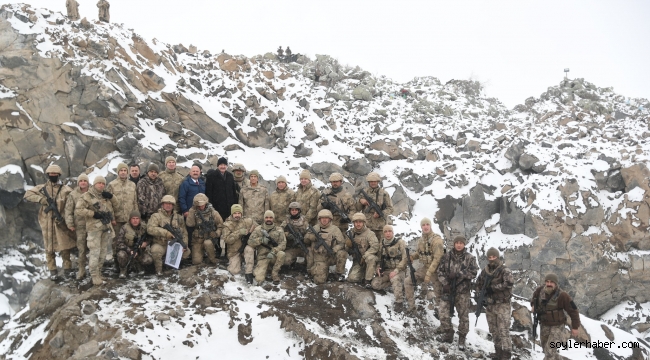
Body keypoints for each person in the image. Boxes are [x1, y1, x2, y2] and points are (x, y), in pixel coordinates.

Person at [23, 165, 75, 281]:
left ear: (59, 175)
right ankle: (53, 271)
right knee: (49, 247)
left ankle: (67, 269)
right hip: (46, 222)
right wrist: (41, 199)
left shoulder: (66, 189)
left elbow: (74, 202)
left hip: (60, 221)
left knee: (65, 245)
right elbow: (28, 194)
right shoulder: (42, 188)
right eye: (51, 175)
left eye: (55, 175)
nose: (53, 176)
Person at [437, 236, 479, 350]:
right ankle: (448, 333)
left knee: (463, 317)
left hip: (462, 292)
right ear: (454, 244)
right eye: (457, 243)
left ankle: (462, 338)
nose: (459, 245)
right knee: (442, 312)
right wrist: (445, 283)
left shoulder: (470, 258)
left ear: (464, 244)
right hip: (448, 290)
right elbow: (439, 271)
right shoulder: (446, 257)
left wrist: (460, 274)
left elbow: (474, 272)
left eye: (461, 243)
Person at [75, 176, 116, 286]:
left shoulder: (104, 196)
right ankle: (94, 276)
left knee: (103, 252)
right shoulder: (86, 196)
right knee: (94, 252)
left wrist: (111, 197)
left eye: (103, 184)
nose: (101, 185)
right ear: (94, 184)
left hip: (105, 227)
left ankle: (99, 272)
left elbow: (114, 206)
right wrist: (93, 214)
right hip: (94, 229)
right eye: (99, 183)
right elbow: (78, 210)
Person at [531, 273, 581, 360]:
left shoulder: (563, 295)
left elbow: (573, 311)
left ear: (556, 283)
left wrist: (575, 327)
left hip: (557, 326)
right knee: (546, 350)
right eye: (547, 282)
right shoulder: (539, 291)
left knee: (550, 351)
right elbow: (533, 299)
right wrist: (533, 305)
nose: (549, 284)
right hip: (544, 324)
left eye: (551, 282)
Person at [476, 248, 514, 360]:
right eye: (490, 257)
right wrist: (480, 295)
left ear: (497, 257)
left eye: (494, 257)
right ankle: (498, 352)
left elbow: (509, 283)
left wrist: (493, 288)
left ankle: (506, 354)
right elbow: (478, 283)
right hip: (490, 305)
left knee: (503, 330)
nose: (492, 259)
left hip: (503, 305)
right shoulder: (486, 271)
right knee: (493, 330)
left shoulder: (504, 270)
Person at [405, 217, 444, 313]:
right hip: (425, 268)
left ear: (430, 225)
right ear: (421, 227)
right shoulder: (421, 240)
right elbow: (420, 253)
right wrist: (412, 257)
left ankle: (442, 314)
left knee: (439, 293)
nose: (425, 227)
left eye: (427, 224)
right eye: (423, 225)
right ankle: (412, 307)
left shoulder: (437, 240)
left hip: (436, 270)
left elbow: (437, 259)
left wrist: (429, 274)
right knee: (408, 281)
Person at [147, 195, 191, 275]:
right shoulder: (156, 216)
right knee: (156, 250)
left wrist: (184, 244)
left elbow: (184, 232)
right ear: (162, 205)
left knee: (187, 252)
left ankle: (170, 266)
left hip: (174, 245)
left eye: (170, 204)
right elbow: (150, 229)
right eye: (166, 203)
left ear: (173, 206)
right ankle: (159, 271)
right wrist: (166, 233)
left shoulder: (178, 217)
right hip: (161, 244)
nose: (168, 205)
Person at [107, 162, 138, 267]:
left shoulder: (132, 185)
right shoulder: (112, 185)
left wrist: (136, 217)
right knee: (116, 242)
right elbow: (108, 203)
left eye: (125, 170)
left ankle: (132, 263)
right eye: (121, 170)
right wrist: (112, 217)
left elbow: (135, 202)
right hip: (117, 219)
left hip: (130, 219)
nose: (123, 172)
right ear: (118, 172)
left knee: (131, 240)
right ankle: (117, 264)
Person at [304, 209, 346, 284]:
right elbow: (305, 240)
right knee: (319, 281)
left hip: (331, 256)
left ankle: (338, 274)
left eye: (326, 218)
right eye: (322, 218)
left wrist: (335, 249)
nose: (324, 220)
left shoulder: (335, 229)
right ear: (319, 219)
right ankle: (318, 270)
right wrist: (311, 237)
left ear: (330, 219)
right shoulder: (315, 228)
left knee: (342, 253)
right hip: (319, 258)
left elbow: (342, 243)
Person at [372, 225, 407, 312]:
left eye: (389, 231)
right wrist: (378, 268)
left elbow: (405, 259)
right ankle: (394, 285)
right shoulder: (382, 243)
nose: (388, 233)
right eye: (385, 231)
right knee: (375, 284)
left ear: (393, 232)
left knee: (394, 278)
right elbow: (380, 259)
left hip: (399, 270)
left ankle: (399, 302)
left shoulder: (400, 242)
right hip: (387, 271)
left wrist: (396, 271)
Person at [247, 210, 286, 285]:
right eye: (267, 217)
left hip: (273, 256)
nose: (268, 219)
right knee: (258, 279)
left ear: (273, 219)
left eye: (271, 217)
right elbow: (250, 242)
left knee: (282, 254)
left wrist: (274, 251)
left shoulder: (279, 230)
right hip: (262, 257)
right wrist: (261, 240)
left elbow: (283, 244)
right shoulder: (258, 229)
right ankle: (265, 268)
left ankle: (274, 274)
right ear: (264, 218)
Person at [185, 193, 223, 265]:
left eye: (202, 205)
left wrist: (216, 233)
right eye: (198, 206)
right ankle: (203, 254)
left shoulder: (213, 212)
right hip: (197, 239)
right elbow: (190, 224)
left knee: (208, 243)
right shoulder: (193, 211)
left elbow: (220, 225)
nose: (201, 207)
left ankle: (212, 258)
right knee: (197, 261)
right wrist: (191, 212)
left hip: (208, 238)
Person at [64, 174, 90, 280]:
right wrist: (70, 223)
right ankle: (81, 270)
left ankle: (95, 270)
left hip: (93, 225)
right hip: (80, 226)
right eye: (81, 181)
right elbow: (68, 210)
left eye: (85, 180)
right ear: (78, 182)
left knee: (94, 248)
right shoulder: (73, 195)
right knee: (81, 248)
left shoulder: (93, 192)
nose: (83, 182)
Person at [345, 212, 379, 288]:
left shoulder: (370, 233)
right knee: (352, 278)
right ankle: (363, 274)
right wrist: (347, 245)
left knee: (371, 258)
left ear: (364, 223)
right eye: (356, 222)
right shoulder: (351, 233)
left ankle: (368, 281)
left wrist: (365, 256)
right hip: (358, 261)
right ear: (353, 223)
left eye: (360, 222)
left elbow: (375, 246)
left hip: (368, 260)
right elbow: (347, 250)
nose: (358, 224)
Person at [115, 211, 153, 278]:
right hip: (127, 251)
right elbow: (119, 243)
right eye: (133, 218)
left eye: (137, 218)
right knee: (121, 255)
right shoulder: (124, 228)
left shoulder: (144, 227)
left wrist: (146, 243)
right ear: (130, 219)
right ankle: (123, 270)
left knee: (148, 260)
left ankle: (137, 265)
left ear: (140, 219)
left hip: (139, 251)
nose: (135, 220)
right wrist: (129, 250)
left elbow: (150, 237)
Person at [356, 172, 393, 240]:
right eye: (371, 181)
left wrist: (380, 213)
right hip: (367, 226)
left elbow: (390, 208)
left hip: (380, 227)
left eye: (375, 181)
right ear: (368, 182)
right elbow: (357, 208)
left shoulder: (384, 193)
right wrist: (360, 201)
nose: (373, 183)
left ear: (378, 181)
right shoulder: (364, 192)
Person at [222, 204, 255, 278]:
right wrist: (239, 232)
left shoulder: (248, 221)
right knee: (234, 271)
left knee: (249, 249)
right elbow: (227, 240)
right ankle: (238, 261)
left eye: (239, 213)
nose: (237, 215)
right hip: (234, 252)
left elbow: (258, 228)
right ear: (232, 214)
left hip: (245, 249)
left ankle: (249, 272)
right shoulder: (227, 225)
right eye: (235, 213)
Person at [179, 164, 206, 246]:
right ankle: (189, 249)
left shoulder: (202, 183)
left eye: (197, 171)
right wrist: (185, 210)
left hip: (201, 212)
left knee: (201, 230)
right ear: (190, 173)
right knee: (189, 231)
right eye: (193, 171)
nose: (195, 173)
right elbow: (181, 197)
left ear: (200, 172)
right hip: (189, 212)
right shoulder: (185, 184)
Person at [280, 202, 310, 269]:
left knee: (310, 258)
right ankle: (293, 261)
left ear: (299, 211)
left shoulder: (304, 220)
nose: (294, 211)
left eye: (296, 210)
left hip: (303, 246)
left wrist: (305, 238)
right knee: (285, 261)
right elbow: (280, 231)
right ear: (289, 211)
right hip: (291, 248)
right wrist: (287, 235)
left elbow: (309, 232)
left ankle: (307, 267)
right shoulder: (286, 220)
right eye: (292, 210)